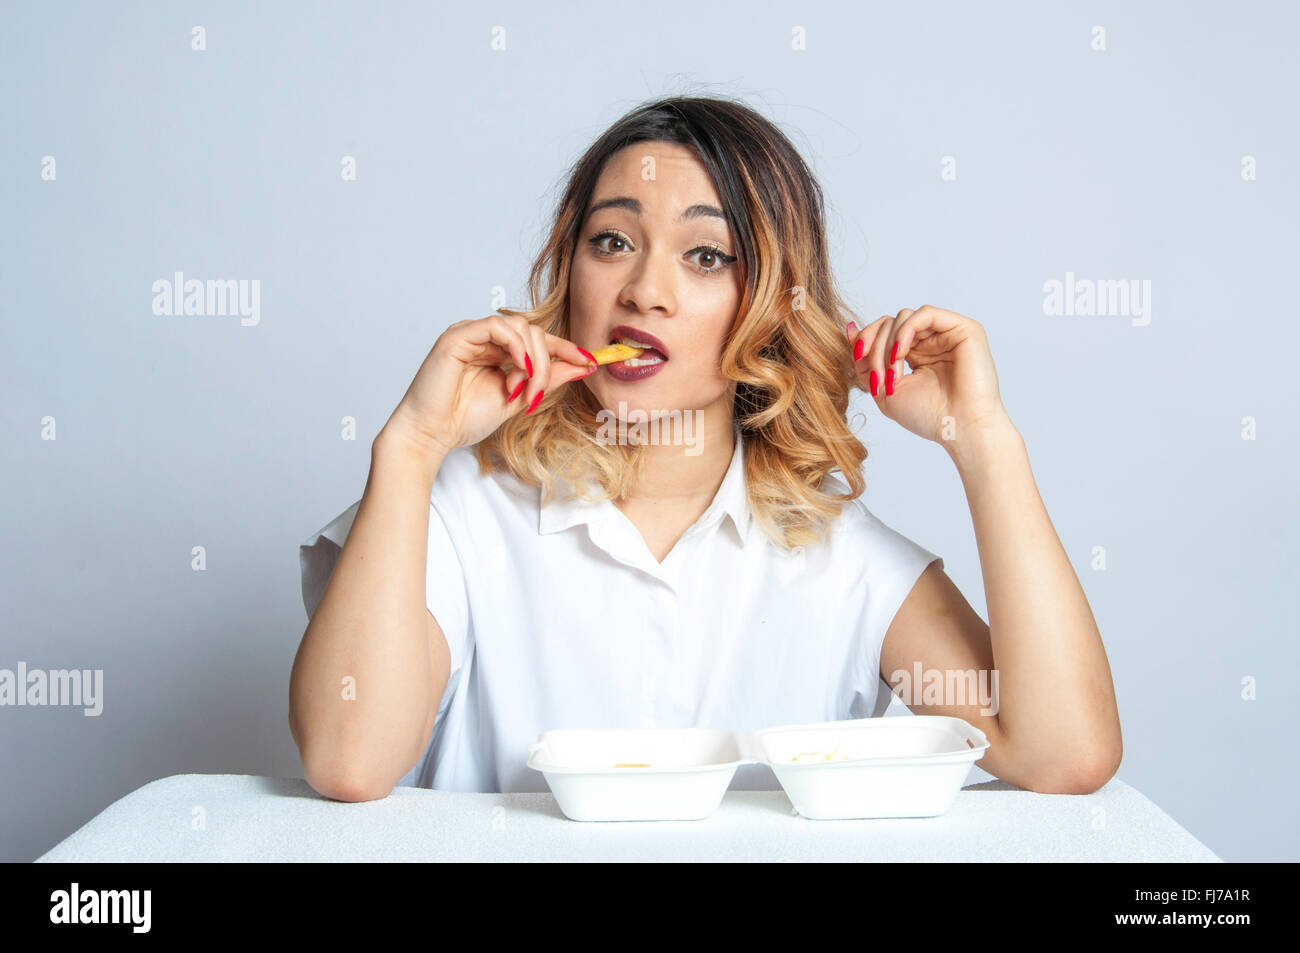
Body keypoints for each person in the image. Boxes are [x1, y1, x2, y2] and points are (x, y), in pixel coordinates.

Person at [290, 96, 1122, 801]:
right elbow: (348, 758)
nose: (645, 290)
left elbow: (1063, 753)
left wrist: (982, 440)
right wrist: (410, 445)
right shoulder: (456, 513)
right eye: (611, 241)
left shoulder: (845, 560)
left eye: (705, 256)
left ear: (767, 305)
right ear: (569, 273)